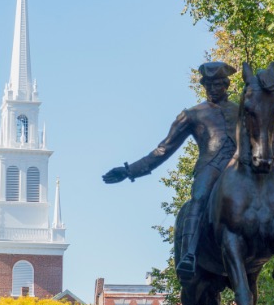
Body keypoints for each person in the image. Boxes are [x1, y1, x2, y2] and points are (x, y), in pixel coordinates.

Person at [102, 61, 238, 280]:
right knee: (199, 198)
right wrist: (129, 171)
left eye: (218, 84)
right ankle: (189, 255)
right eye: (208, 84)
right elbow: (163, 149)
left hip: (240, 166)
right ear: (204, 85)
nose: (213, 88)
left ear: (226, 84)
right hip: (210, 167)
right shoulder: (192, 115)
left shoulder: (242, 111)